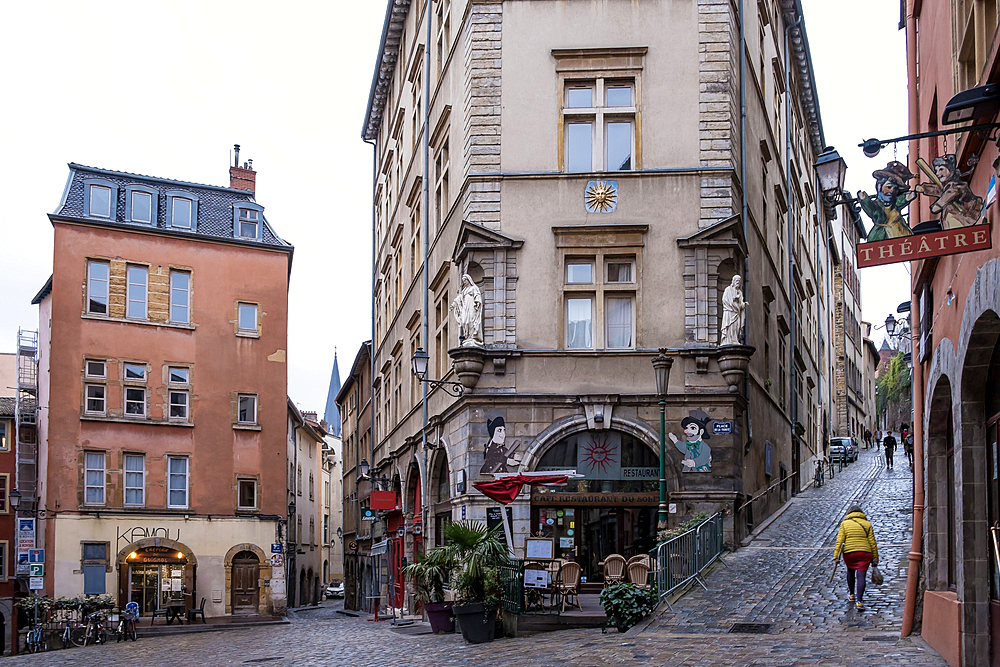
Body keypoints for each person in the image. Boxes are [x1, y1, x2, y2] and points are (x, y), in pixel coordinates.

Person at [833, 505, 879, 611]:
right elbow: (872, 542)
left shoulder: (845, 524)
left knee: (850, 571)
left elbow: (840, 540)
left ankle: (852, 595)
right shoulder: (867, 524)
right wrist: (875, 558)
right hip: (864, 552)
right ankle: (859, 602)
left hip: (849, 553)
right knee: (861, 576)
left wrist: (836, 556)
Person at [720, 275, 747, 346]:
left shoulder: (740, 292)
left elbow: (741, 304)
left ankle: (735, 340)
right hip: (729, 312)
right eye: (737, 281)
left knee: (736, 327)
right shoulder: (728, 290)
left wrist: (744, 305)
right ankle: (728, 340)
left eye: (739, 281)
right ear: (733, 281)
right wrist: (734, 299)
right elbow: (724, 300)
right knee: (730, 327)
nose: (738, 282)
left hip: (736, 313)